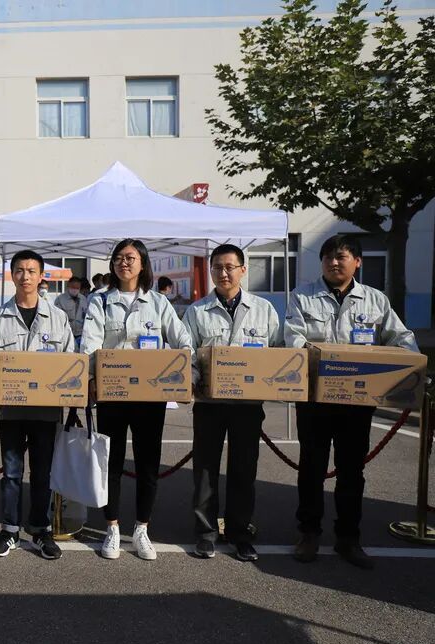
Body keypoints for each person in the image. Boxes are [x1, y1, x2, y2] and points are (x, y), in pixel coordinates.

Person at [285, 234, 418, 569]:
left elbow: (400, 337)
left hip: (357, 401)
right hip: (314, 399)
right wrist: (322, 359)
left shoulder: (375, 300)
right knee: (312, 468)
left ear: (357, 262)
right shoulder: (303, 297)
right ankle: (309, 533)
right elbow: (293, 338)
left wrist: (412, 366)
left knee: (352, 470)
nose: (333, 262)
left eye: (341, 256)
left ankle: (348, 537)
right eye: (328, 256)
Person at [81, 238, 193, 561]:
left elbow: (183, 342)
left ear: (143, 263)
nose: (124, 263)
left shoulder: (158, 303)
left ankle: (142, 528)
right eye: (118, 258)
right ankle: (113, 528)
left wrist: (182, 374)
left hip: (150, 398)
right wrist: (91, 378)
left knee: (148, 464)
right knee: (112, 463)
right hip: (113, 395)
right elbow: (90, 343)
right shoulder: (100, 301)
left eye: (130, 257)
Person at [182, 244, 281, 562]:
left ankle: (240, 533)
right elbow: (188, 353)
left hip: (248, 406)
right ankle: (206, 533)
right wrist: (191, 379)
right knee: (205, 470)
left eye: (229, 267)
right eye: (217, 267)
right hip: (209, 404)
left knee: (243, 469)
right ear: (211, 271)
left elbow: (278, 351)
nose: (223, 273)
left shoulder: (263, 310)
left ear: (242, 270)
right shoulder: (197, 311)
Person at [0, 249, 75, 560]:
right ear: (12, 275)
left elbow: (70, 360)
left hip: (46, 411)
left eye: (31, 271)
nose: (25, 276)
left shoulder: (58, 317)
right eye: (20, 270)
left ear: (40, 276)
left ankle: (40, 530)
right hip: (10, 410)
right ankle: (9, 530)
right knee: (11, 473)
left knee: (42, 473)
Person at [54, 276, 87, 349]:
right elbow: (56, 318)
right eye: (73, 287)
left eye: (77, 288)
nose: (75, 289)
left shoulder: (83, 299)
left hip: (80, 334)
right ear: (68, 286)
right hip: (66, 334)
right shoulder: (60, 299)